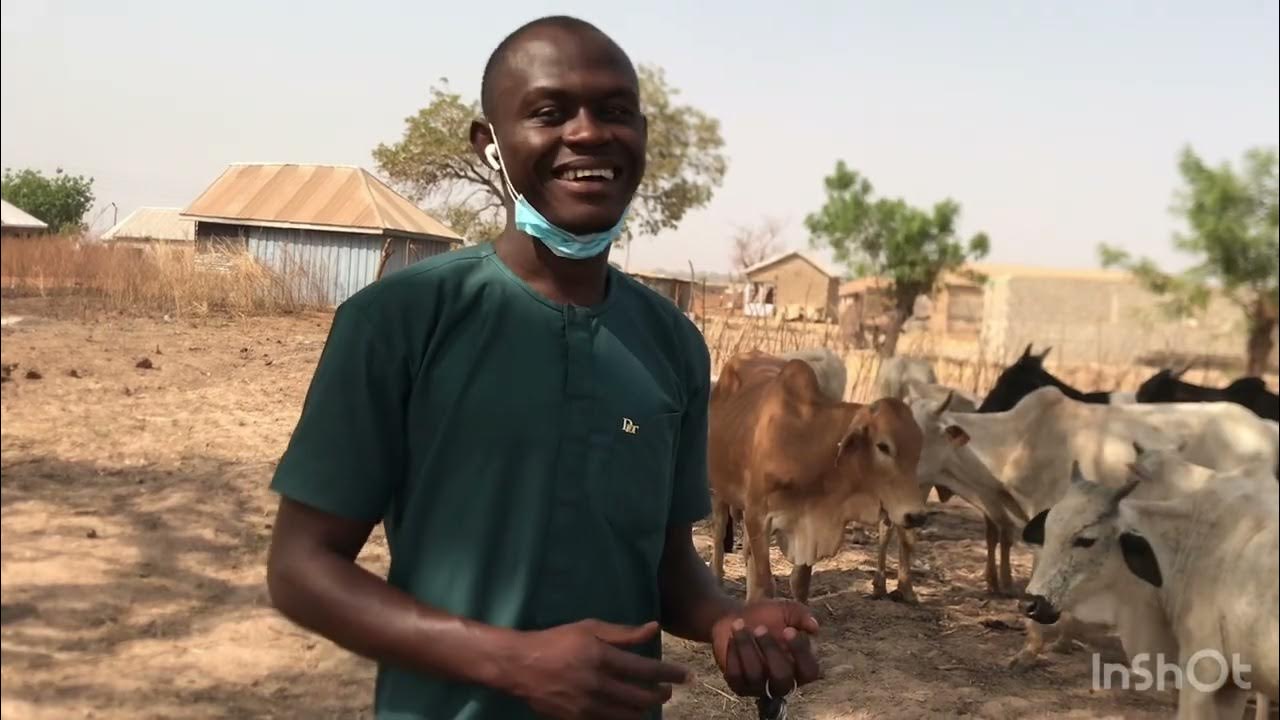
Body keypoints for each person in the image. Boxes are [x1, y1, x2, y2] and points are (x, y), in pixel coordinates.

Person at [264, 14, 821, 720]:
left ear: (643, 137)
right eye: (550, 112)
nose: (589, 133)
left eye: (616, 112)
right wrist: (512, 662)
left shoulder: (673, 343)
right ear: (488, 143)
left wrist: (724, 619)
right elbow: (300, 569)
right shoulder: (400, 320)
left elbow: (669, 566)